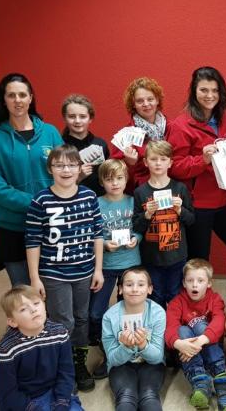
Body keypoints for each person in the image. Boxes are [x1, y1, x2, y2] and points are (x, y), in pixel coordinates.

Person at [25, 144, 104, 392]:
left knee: (81, 319)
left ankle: (78, 363)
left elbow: (97, 235)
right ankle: (63, 367)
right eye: (59, 165)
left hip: (84, 272)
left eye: (71, 164)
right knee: (63, 321)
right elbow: (32, 241)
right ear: (50, 169)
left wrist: (98, 269)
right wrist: (34, 278)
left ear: (80, 168)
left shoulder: (89, 197)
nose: (66, 170)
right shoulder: (41, 200)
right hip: (54, 274)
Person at [0, 72, 63, 286]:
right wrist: (37, 203)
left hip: (50, 225)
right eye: (11, 95)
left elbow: (65, 172)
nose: (17, 100)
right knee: (23, 295)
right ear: (3, 99)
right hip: (12, 229)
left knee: (53, 291)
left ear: (31, 98)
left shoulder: (50, 133)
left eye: (22, 95)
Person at [166, 66, 226, 269]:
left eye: (215, 90)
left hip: (225, 200)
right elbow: (174, 166)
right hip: (198, 205)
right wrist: (202, 160)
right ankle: (197, 300)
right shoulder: (181, 125)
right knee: (199, 260)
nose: (210, 95)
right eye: (204, 90)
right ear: (194, 91)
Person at [89, 159, 143, 379]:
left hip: (131, 264)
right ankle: (107, 349)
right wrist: (104, 245)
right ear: (102, 182)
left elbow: (140, 228)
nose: (114, 183)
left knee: (130, 311)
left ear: (126, 180)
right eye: (109, 179)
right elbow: (93, 233)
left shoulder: (132, 201)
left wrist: (136, 239)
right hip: (106, 266)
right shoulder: (96, 203)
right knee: (95, 313)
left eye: (119, 178)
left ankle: (131, 350)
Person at [0, 285, 83, 411]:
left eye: (36, 303)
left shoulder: (60, 333)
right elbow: (7, 392)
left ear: (45, 306)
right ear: (12, 321)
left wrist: (61, 402)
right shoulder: (6, 350)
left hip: (54, 392)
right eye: (23, 309)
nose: (33, 310)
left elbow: (66, 372)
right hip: (23, 401)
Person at [165, 259, 226, 411]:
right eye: (190, 281)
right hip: (188, 350)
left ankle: (221, 381)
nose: (195, 285)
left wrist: (201, 341)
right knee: (182, 331)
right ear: (184, 283)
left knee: (199, 325)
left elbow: (219, 322)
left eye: (200, 280)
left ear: (209, 283)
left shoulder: (215, 299)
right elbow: (170, 328)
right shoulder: (176, 303)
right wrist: (179, 344)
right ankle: (200, 383)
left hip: (211, 348)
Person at [132, 140, 195, 309]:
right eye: (153, 159)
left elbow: (191, 220)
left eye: (162, 159)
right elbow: (136, 227)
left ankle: (173, 331)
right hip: (151, 257)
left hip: (177, 256)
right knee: (155, 296)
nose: (158, 163)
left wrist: (180, 210)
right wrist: (147, 214)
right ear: (146, 162)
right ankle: (158, 331)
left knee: (175, 295)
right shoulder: (140, 192)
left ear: (170, 162)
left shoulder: (180, 189)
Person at [102, 267, 166, 411]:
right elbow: (112, 359)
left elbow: (157, 357)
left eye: (141, 284)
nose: (134, 289)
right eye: (129, 284)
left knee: (149, 397)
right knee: (126, 398)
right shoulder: (109, 317)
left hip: (151, 365)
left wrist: (143, 344)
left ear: (149, 289)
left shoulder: (157, 313)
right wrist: (125, 347)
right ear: (120, 289)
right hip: (120, 366)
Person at [110, 76, 169, 191]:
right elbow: (115, 176)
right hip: (142, 192)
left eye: (150, 99)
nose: (146, 104)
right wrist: (129, 164)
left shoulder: (171, 127)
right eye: (140, 101)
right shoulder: (125, 135)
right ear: (133, 104)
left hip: (169, 187)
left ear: (157, 100)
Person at [60, 93, 111, 196]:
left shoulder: (101, 145)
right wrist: (78, 177)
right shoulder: (60, 146)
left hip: (99, 202)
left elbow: (108, 177)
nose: (77, 121)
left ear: (90, 118)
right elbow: (54, 183)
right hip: (71, 202)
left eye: (83, 116)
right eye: (72, 116)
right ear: (65, 118)